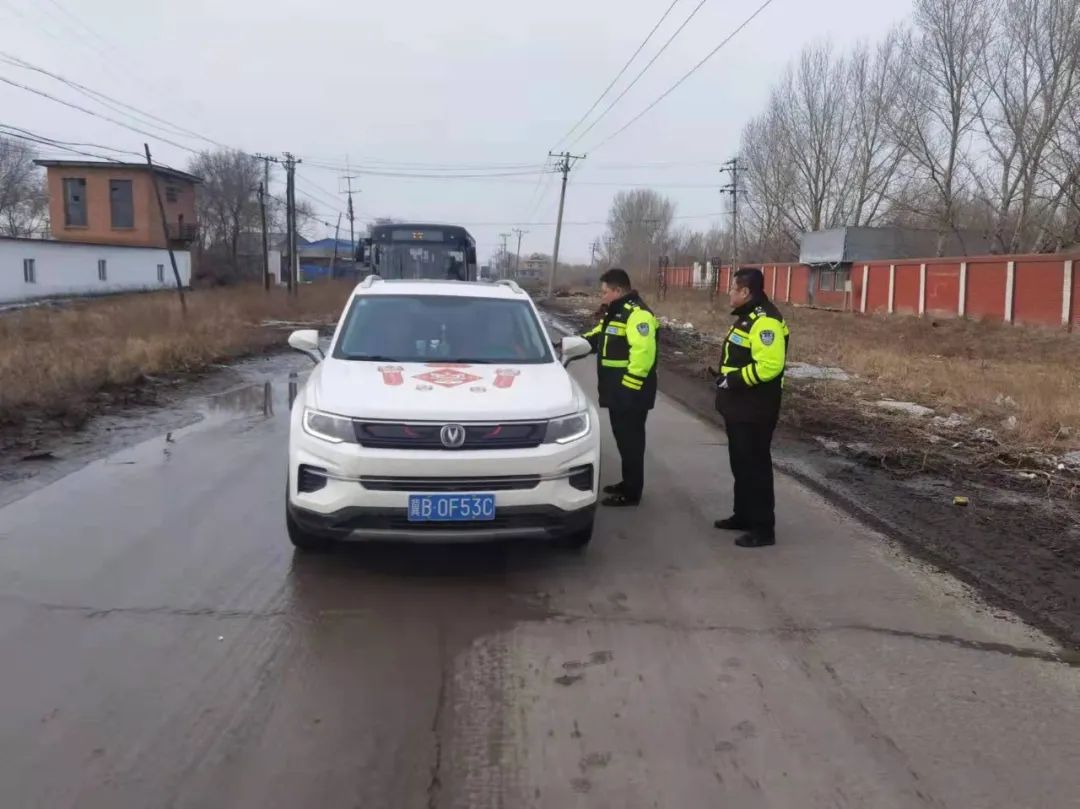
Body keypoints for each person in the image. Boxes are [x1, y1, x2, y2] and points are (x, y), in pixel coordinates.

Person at [712, 267, 790, 547]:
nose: (729, 293)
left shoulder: (765, 321)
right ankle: (743, 515)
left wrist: (733, 380)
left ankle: (763, 529)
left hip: (756, 407)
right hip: (740, 406)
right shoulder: (748, 318)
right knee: (741, 463)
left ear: (745, 292)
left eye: (732, 289)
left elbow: (770, 366)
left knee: (755, 467)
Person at [581, 269, 659, 507]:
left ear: (617, 290)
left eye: (604, 292)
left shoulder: (638, 315)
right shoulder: (616, 313)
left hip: (631, 392)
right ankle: (627, 483)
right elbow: (599, 335)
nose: (602, 296)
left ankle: (632, 493)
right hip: (618, 391)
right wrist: (575, 343)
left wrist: (629, 388)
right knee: (623, 440)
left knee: (632, 442)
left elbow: (643, 354)